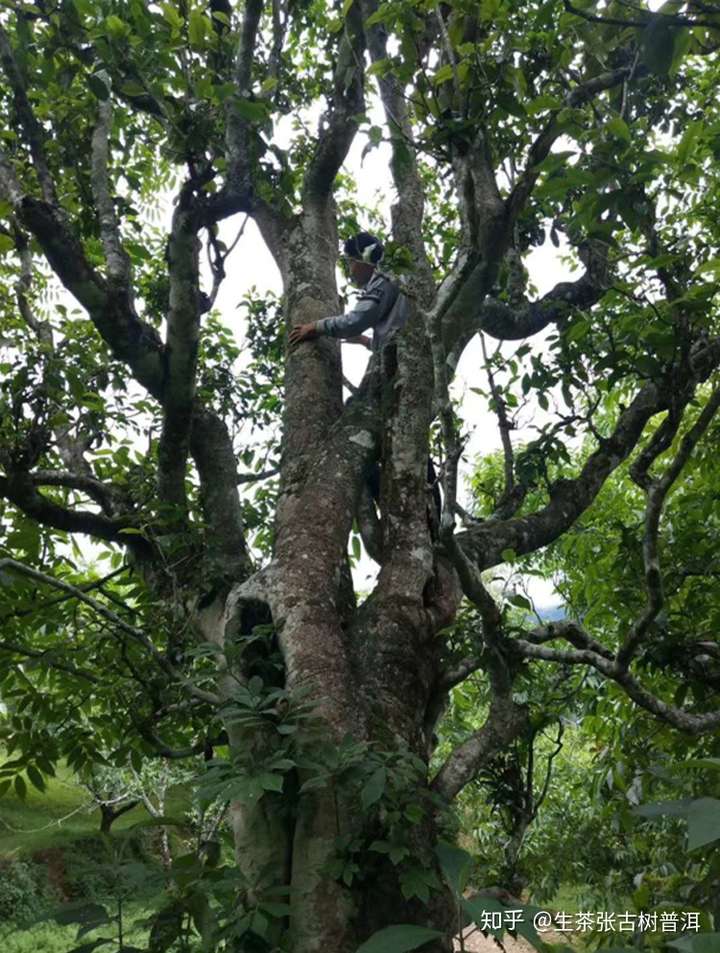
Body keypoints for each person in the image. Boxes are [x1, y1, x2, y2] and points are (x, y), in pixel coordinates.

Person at [288, 232, 409, 351]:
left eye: (351, 262)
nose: (350, 272)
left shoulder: (385, 277)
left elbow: (356, 321)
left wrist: (315, 327)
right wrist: (364, 341)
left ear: (363, 258)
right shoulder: (396, 277)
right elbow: (389, 338)